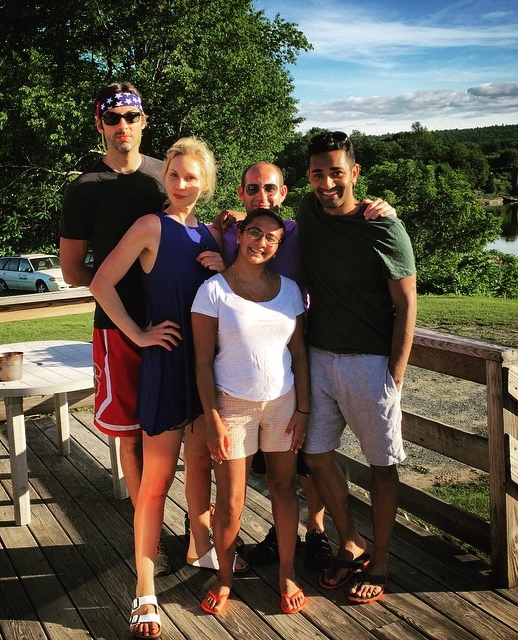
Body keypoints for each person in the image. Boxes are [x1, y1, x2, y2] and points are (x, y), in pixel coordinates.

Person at [89, 137, 236, 639]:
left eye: (191, 177)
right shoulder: (151, 226)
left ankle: (200, 546)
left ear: (205, 182)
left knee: (200, 465)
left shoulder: (213, 235)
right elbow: (101, 282)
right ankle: (145, 589)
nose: (180, 184)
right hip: (167, 365)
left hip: (207, 369)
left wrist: (227, 269)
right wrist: (138, 334)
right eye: (173, 175)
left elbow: (246, 282)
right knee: (155, 484)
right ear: (164, 178)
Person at [221, 161, 396, 571]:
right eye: (252, 189)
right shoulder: (230, 233)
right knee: (272, 458)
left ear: (283, 193)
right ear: (241, 193)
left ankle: (315, 529)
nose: (261, 196)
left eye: (269, 188)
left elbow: (343, 211)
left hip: (300, 350)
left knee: (305, 450)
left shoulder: (301, 229)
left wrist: (383, 210)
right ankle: (281, 531)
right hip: (251, 365)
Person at [297, 131, 417, 604]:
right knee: (316, 456)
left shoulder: (384, 227)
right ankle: (351, 539)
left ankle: (381, 559)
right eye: (317, 174)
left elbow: (406, 304)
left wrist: (396, 373)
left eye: (336, 172)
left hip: (370, 363)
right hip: (318, 357)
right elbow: (268, 228)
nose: (327, 183)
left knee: (382, 465)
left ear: (355, 173)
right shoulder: (307, 212)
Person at [59, 80, 172, 574]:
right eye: (112, 118)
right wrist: (115, 290)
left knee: (176, 429)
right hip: (116, 328)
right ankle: (150, 539)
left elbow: (191, 231)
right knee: (130, 435)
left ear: (143, 120)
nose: (122, 125)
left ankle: (193, 531)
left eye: (130, 116)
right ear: (99, 124)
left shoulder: (165, 176)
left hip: (171, 323)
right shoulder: (85, 188)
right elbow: (72, 271)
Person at [192, 208, 309, 615]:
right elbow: (202, 361)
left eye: (271, 238)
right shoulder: (213, 291)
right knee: (230, 501)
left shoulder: (290, 290)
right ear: (240, 234)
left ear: (279, 246)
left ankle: (287, 574)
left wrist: (304, 409)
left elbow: (299, 353)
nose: (261, 242)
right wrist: (213, 419)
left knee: (284, 489)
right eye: (254, 233)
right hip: (232, 407)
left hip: (283, 403)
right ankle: (224, 577)